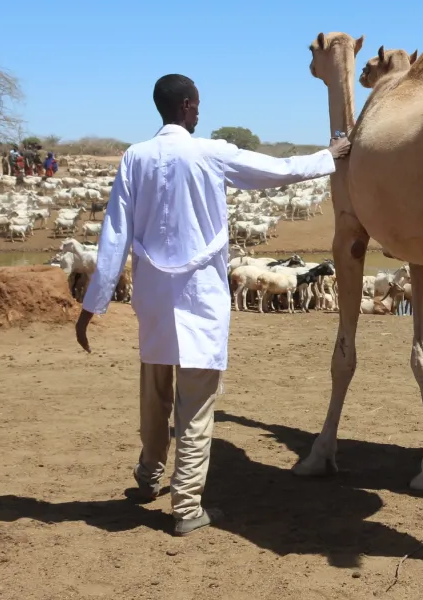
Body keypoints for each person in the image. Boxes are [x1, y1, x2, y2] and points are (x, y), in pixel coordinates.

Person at [75, 74, 350, 536]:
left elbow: (114, 233)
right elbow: (277, 171)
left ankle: (148, 474)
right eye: (197, 105)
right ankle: (186, 507)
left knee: (154, 392)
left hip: (154, 297)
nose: (200, 112)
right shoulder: (211, 152)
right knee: (196, 406)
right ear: (186, 106)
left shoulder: (134, 157)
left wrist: (92, 305)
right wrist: (331, 156)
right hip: (199, 296)